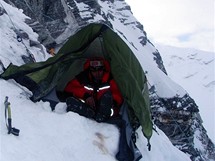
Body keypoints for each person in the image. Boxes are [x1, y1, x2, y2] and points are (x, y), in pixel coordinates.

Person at [64, 57, 136, 161]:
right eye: (94, 70)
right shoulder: (83, 77)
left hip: (107, 109)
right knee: (71, 101)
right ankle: (89, 113)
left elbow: (117, 96)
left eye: (99, 69)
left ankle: (102, 115)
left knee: (107, 98)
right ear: (90, 69)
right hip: (89, 107)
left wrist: (113, 105)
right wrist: (85, 96)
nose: (97, 72)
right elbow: (69, 87)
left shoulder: (110, 79)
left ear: (104, 69)